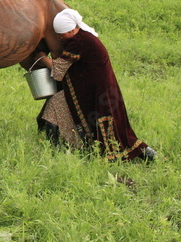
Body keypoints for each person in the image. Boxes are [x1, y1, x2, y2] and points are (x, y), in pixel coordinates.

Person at [34, 8, 156, 162]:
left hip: (95, 92)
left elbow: (58, 71)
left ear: (72, 30)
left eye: (62, 33)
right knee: (54, 108)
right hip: (95, 88)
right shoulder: (84, 37)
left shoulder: (79, 42)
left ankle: (60, 151)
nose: (60, 37)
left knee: (111, 130)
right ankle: (62, 149)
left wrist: (42, 58)